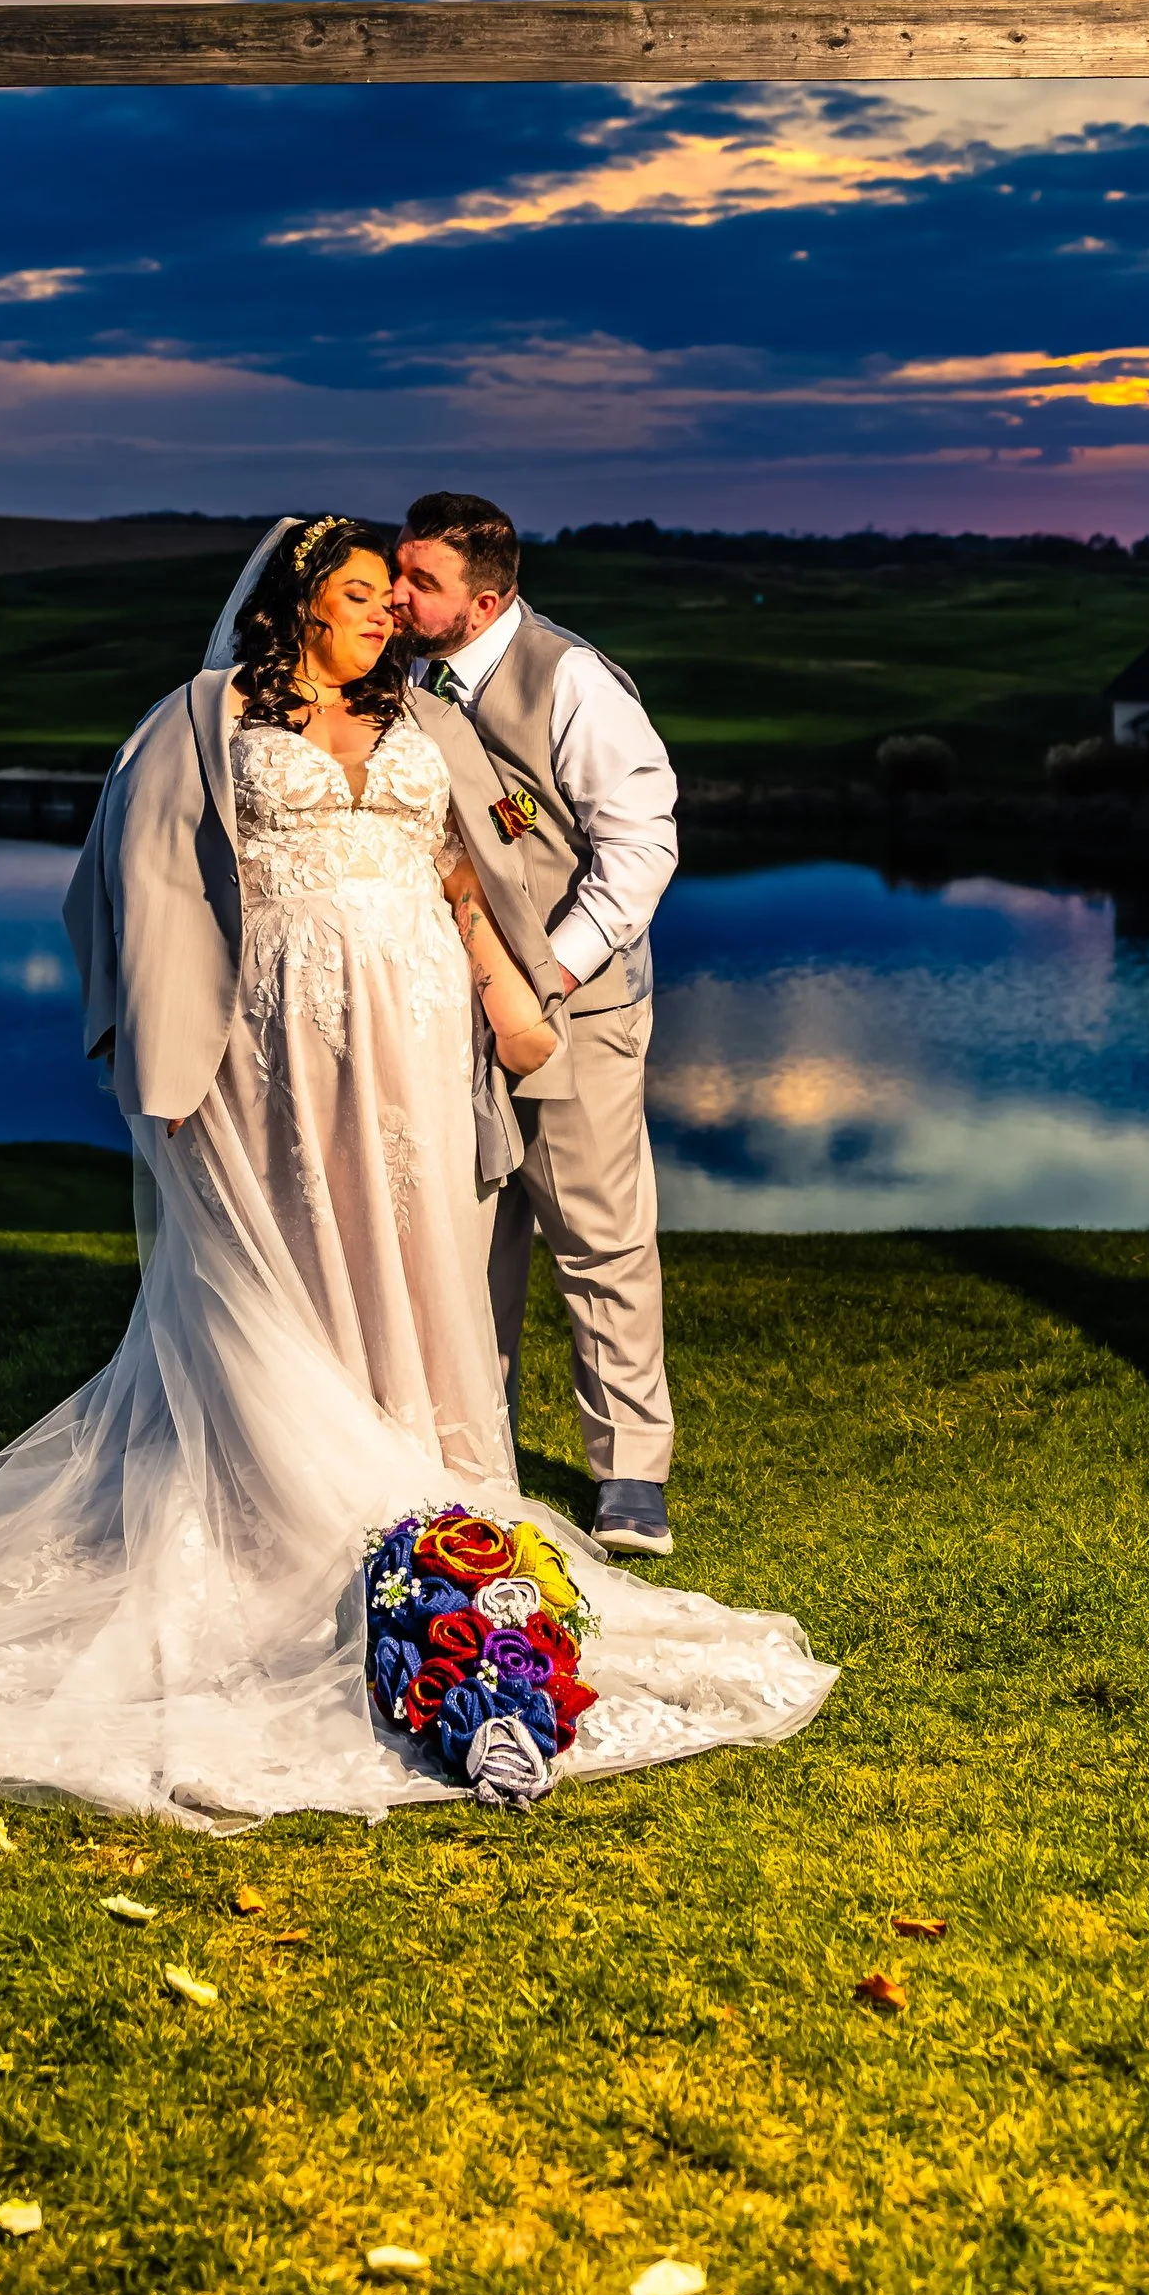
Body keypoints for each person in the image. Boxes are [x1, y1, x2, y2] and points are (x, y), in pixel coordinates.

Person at [0, 514, 832, 1826]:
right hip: (275, 1045)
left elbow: (473, 871)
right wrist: (156, 1048)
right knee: (291, 1266)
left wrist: (524, 999)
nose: (387, 614)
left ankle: (445, 1506)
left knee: (426, 1260)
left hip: (418, 1039)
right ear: (296, 604)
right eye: (365, 593)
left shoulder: (428, 718)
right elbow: (126, 882)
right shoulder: (203, 719)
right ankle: (273, 1522)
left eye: (398, 592)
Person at [392, 492, 681, 1557]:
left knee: (597, 1239)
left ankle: (631, 1478)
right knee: (468, 1242)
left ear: (487, 596)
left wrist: (547, 976)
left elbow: (640, 847)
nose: (399, 595)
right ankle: (477, 1458)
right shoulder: (411, 678)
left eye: (421, 582)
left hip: (577, 1010)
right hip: (445, 1011)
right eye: (399, 572)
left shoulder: (572, 681)